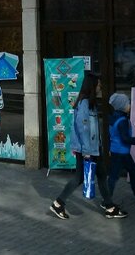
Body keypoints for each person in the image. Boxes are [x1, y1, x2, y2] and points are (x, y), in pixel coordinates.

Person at [49, 71, 126, 220]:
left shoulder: (89, 103)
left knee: (101, 175)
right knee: (79, 178)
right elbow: (82, 128)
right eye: (98, 85)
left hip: (93, 148)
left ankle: (109, 206)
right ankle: (58, 203)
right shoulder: (84, 104)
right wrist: (86, 151)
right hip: (87, 149)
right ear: (92, 86)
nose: (100, 87)